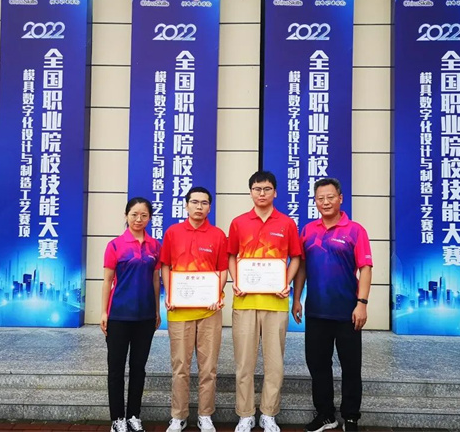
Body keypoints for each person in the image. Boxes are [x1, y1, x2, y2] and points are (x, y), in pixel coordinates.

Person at [292, 178, 373, 432]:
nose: (325, 202)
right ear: (315, 201)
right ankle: (326, 414)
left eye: (330, 197)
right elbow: (302, 267)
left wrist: (362, 303)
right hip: (316, 311)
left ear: (340, 198)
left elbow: (366, 268)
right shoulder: (308, 230)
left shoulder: (355, 230)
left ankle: (351, 417)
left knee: (351, 367)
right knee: (318, 365)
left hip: (348, 312)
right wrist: (296, 298)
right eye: (320, 198)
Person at [227, 170, 302, 432]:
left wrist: (286, 282)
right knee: (244, 363)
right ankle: (245, 413)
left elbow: (295, 257)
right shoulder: (238, 223)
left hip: (276, 302)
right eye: (257, 189)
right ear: (250, 192)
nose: (262, 193)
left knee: (275, 363)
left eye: (267, 189)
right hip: (245, 301)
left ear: (275, 192)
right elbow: (231, 255)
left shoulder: (287, 223)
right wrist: (235, 281)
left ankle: (269, 413)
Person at [160, 187, 229, 432]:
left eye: (204, 203)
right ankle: (178, 416)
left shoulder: (218, 235)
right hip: (180, 311)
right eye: (194, 202)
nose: (199, 207)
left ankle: (205, 414)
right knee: (180, 366)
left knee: (208, 367)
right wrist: (170, 294)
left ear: (210, 207)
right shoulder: (173, 232)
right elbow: (165, 265)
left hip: (210, 311)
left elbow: (222, 269)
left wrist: (216, 294)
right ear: (186, 205)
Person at [101, 197, 162, 432]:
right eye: (134, 214)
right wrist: (104, 312)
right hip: (118, 316)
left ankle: (134, 415)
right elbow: (107, 281)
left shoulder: (154, 246)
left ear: (150, 218)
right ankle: (117, 418)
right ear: (126, 215)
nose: (139, 219)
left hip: (145, 317)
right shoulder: (115, 245)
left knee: (139, 367)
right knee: (116, 369)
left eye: (144, 215)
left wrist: (156, 310)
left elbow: (155, 280)